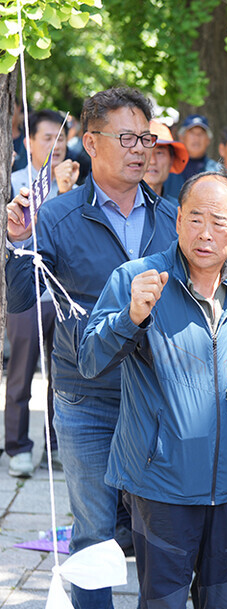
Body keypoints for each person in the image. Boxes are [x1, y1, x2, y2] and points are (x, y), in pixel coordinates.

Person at [5, 87, 178, 609]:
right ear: (90, 142)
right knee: (94, 530)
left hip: (160, 395)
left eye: (145, 138)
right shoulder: (54, 217)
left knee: (161, 528)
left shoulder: (174, 218)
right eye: (126, 138)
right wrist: (16, 241)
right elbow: (19, 298)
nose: (140, 150)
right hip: (86, 395)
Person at [77, 171, 227, 609]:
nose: (205, 234)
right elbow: (89, 360)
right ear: (177, 220)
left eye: (219, 222)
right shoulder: (137, 279)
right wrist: (131, 317)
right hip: (160, 482)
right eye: (195, 219)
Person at [5, 108, 79, 477]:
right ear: (30, 141)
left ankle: (56, 445)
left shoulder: (76, 185)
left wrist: (65, 191)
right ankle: (17, 447)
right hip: (26, 294)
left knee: (61, 374)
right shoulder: (16, 181)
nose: (57, 144)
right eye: (49, 138)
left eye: (62, 137)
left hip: (63, 296)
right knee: (20, 373)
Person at [162, 114, 219, 197]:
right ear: (181, 137)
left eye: (201, 134)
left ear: (208, 140)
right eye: (192, 133)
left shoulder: (217, 171)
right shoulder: (168, 167)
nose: (196, 138)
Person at [143, 120, 188, 204]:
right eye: (146, 152)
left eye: (159, 153)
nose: (152, 161)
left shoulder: (177, 211)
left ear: (171, 160)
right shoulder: (115, 207)